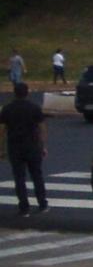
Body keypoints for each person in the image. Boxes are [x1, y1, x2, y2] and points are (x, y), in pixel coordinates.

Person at [0, 82, 48, 216]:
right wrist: (43, 146)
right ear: (27, 93)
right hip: (32, 146)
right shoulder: (34, 108)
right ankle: (42, 204)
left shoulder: (7, 109)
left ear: (14, 93)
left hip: (15, 147)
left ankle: (24, 207)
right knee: (37, 176)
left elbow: (2, 130)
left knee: (19, 178)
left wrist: (1, 149)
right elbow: (42, 127)